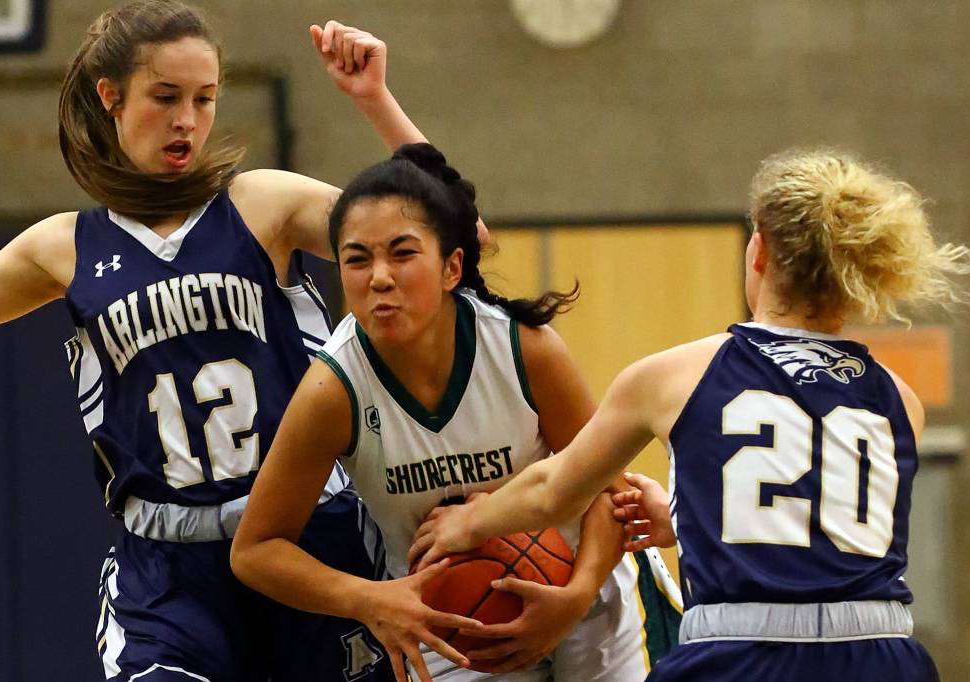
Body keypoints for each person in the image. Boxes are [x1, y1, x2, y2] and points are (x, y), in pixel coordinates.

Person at [0, 1, 439, 680]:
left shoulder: (262, 204)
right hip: (167, 571)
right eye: (165, 97)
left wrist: (376, 99)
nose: (188, 118)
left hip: (307, 539)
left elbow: (447, 239)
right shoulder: (64, 247)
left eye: (205, 98)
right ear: (111, 97)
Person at [409, 149, 970, 681]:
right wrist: (688, 521)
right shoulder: (899, 398)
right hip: (882, 652)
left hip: (742, 654)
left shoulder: (677, 374)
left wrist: (468, 524)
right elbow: (823, 542)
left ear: (758, 251)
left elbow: (553, 491)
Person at [230, 143, 683, 682]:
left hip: (586, 588)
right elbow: (256, 550)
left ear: (451, 268)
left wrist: (574, 597)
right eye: (357, 258)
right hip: (445, 621)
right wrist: (370, 600)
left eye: (402, 253)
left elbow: (612, 493)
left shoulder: (522, 348)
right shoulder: (331, 390)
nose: (379, 277)